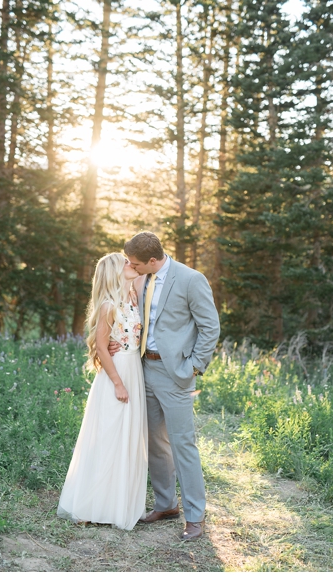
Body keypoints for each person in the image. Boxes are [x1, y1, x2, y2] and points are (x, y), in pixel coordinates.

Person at [124, 231, 220, 542]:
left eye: (136, 263)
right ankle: (166, 504)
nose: (131, 266)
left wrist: (194, 366)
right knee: (154, 441)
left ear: (153, 260)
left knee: (183, 444)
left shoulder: (191, 279)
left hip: (176, 373)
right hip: (143, 368)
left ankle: (195, 515)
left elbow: (210, 326)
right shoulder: (142, 278)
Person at [57, 252, 148, 530]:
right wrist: (118, 382)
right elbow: (100, 347)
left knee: (127, 437)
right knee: (108, 435)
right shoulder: (109, 306)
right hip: (117, 373)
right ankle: (91, 503)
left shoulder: (133, 296)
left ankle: (117, 503)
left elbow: (148, 269)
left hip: (134, 369)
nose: (132, 265)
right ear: (113, 272)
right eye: (125, 262)